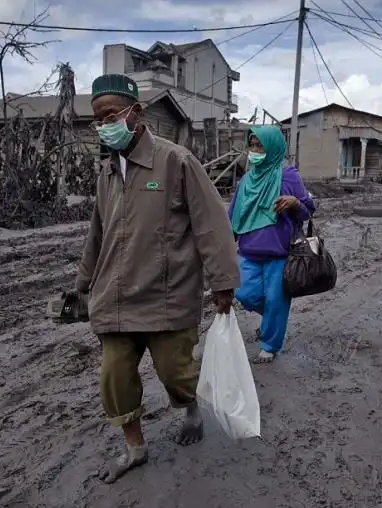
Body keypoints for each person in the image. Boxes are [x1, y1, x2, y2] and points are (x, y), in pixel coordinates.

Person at [76, 74, 240, 484]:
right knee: (114, 376)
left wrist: (223, 282)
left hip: (168, 294)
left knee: (175, 371)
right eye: (97, 119)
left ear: (137, 112)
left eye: (110, 115)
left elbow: (211, 224)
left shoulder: (176, 161)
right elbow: (98, 232)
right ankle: (135, 447)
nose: (104, 125)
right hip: (115, 296)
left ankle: (189, 407)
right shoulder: (107, 172)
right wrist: (82, 284)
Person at [228, 126, 316, 364]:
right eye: (252, 145)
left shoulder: (289, 177)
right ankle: (273, 320)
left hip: (279, 254)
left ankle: (270, 345)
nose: (255, 151)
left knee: (276, 299)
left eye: (261, 146)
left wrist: (294, 203)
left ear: (273, 148)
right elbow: (234, 214)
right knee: (245, 294)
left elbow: (307, 211)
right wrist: (225, 242)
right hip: (248, 251)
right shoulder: (247, 179)